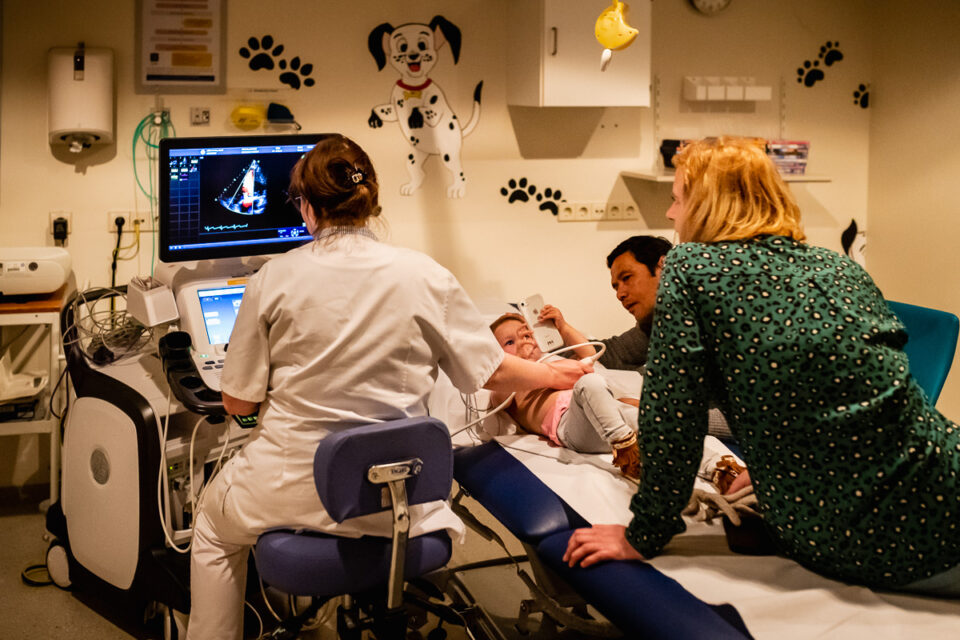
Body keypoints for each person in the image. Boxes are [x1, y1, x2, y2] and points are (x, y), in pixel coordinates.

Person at [186, 135, 592, 639]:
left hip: (287, 489)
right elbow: (491, 371)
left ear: (307, 207)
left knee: (209, 524)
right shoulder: (426, 275)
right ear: (371, 200)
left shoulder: (274, 278)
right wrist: (557, 372)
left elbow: (237, 401)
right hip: (398, 495)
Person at [563, 136, 960, 596]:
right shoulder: (837, 266)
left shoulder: (690, 268)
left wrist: (645, 533)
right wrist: (779, 467)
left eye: (676, 200)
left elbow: (674, 416)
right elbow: (848, 399)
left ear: (710, 203)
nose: (671, 215)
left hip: (890, 532)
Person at [489, 312, 641, 479]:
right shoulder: (510, 386)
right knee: (589, 383)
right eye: (510, 342)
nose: (523, 341)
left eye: (526, 334)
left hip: (606, 419)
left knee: (648, 415)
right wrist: (506, 364)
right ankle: (625, 448)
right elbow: (499, 384)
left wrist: (563, 328)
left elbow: (589, 353)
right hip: (574, 427)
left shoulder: (557, 364)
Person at [598, 235, 673, 373]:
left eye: (627, 278)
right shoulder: (652, 325)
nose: (619, 295)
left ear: (663, 267)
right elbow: (612, 356)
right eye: (616, 287)